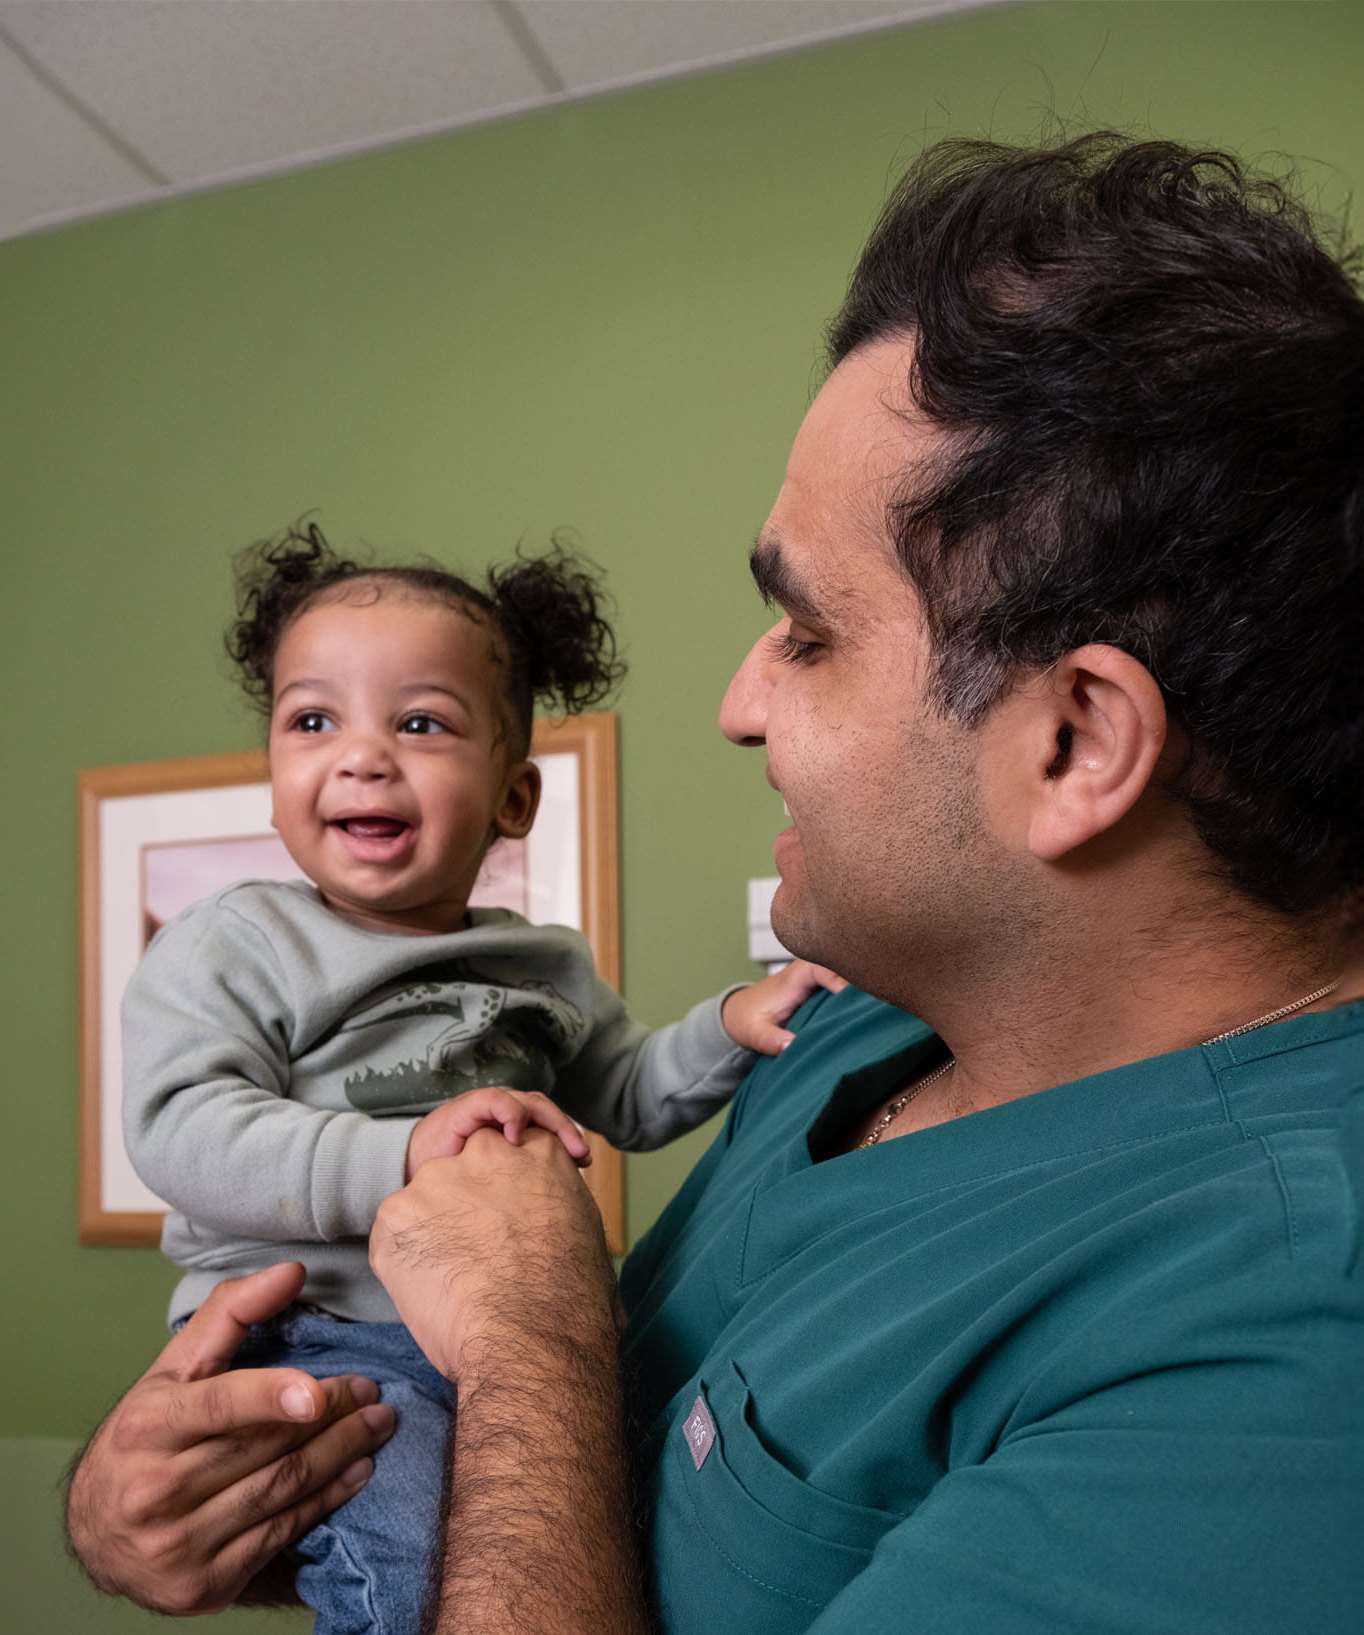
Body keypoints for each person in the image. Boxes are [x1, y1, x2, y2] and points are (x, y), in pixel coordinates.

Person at [67, 134, 1364, 1632]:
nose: (737, 703)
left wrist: (528, 1346)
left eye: (806, 630)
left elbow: (546, 1406)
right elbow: (584, 1504)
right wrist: (211, 1504)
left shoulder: (1338, 1393)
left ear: (1077, 743)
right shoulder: (876, 1016)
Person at [112, 525, 841, 1634]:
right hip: (320, 1332)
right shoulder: (237, 945)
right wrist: (403, 1152)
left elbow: (628, 1092)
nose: (361, 756)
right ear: (271, 778)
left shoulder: (536, 963)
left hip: (506, 1335)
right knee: (414, 1574)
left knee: (593, 1547)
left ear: (512, 801)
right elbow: (181, 1129)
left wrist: (733, 1026)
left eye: (419, 723)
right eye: (312, 721)